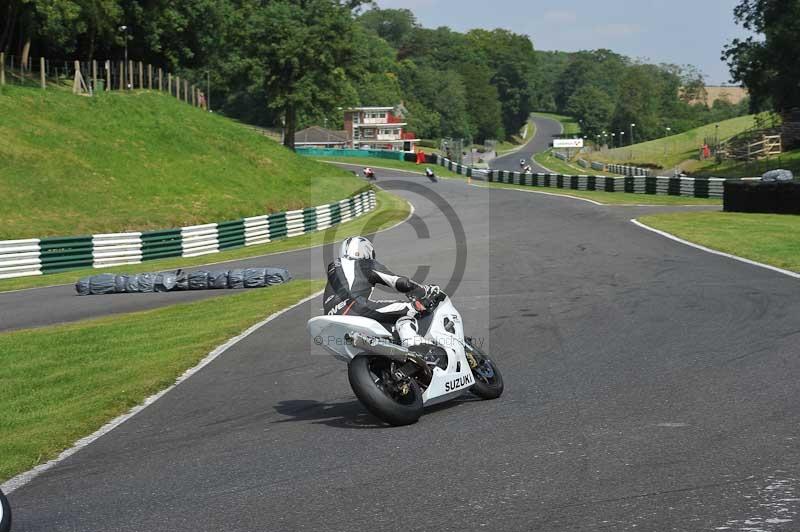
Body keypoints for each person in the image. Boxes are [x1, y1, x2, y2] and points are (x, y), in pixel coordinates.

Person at [323, 236, 439, 347]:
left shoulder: (334, 268)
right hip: (354, 307)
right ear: (365, 251)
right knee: (410, 309)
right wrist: (422, 291)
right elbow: (398, 281)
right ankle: (413, 342)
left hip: (330, 316)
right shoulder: (365, 264)